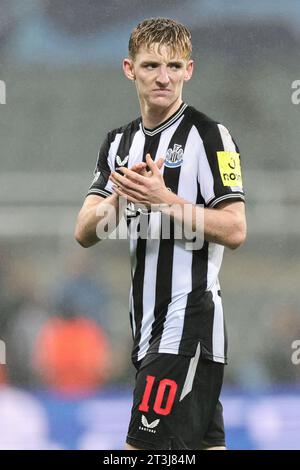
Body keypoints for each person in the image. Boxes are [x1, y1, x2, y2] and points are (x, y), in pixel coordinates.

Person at [75, 17, 246, 450]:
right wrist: (120, 199)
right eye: (151, 65)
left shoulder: (211, 137)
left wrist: (163, 199)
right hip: (148, 329)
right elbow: (84, 231)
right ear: (129, 69)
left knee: (141, 451)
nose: (163, 77)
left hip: (188, 323)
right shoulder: (118, 144)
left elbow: (235, 228)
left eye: (174, 66)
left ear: (189, 70)